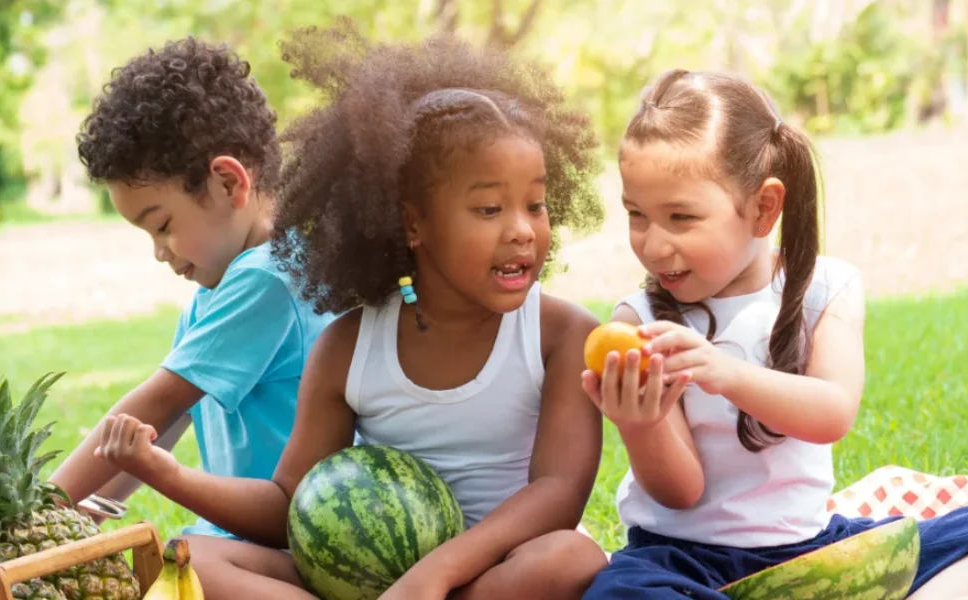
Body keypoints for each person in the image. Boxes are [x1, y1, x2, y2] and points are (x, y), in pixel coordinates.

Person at [84, 20, 610, 600]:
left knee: (568, 556)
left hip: (496, 571)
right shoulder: (348, 346)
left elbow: (559, 494)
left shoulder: (561, 335)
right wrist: (166, 473)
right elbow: (288, 503)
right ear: (412, 223)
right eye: (489, 208)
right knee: (189, 560)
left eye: (535, 204)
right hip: (371, 583)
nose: (522, 230)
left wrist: (432, 576)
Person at [580, 68, 968, 600]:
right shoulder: (640, 321)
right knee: (621, 593)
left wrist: (726, 373)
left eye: (680, 217)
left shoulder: (824, 288)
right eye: (636, 215)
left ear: (764, 207)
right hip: (679, 561)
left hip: (810, 552)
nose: (653, 245)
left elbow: (832, 412)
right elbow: (682, 492)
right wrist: (639, 424)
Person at [49, 36, 336, 543]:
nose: (159, 251)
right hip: (243, 534)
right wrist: (82, 513)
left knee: (176, 562)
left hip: (290, 538)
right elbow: (159, 429)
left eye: (161, 225)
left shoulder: (269, 278)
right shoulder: (223, 288)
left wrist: (39, 506)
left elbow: (157, 404)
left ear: (228, 183)